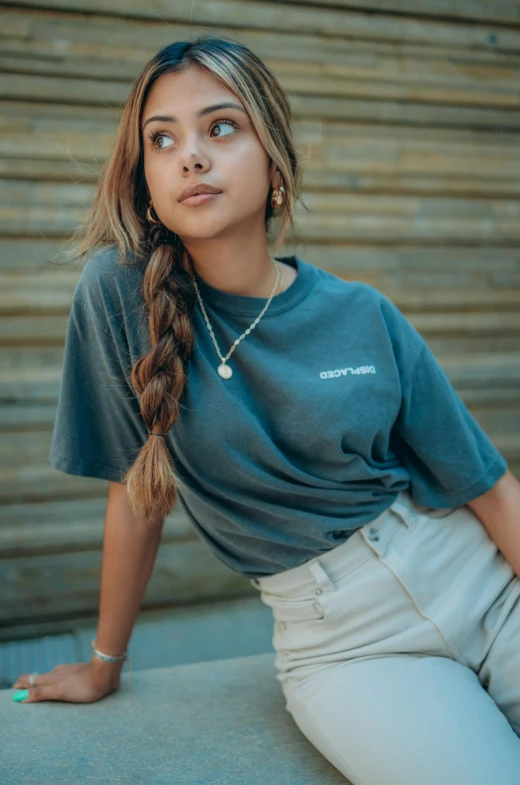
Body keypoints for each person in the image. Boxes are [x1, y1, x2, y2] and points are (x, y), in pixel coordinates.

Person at [11, 34, 520, 785]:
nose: (191, 155)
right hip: (350, 645)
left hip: (481, 582)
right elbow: (136, 494)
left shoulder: (364, 313)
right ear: (145, 176)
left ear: (274, 164)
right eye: (163, 138)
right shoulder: (119, 298)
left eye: (221, 127)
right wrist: (104, 663)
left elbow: (490, 487)